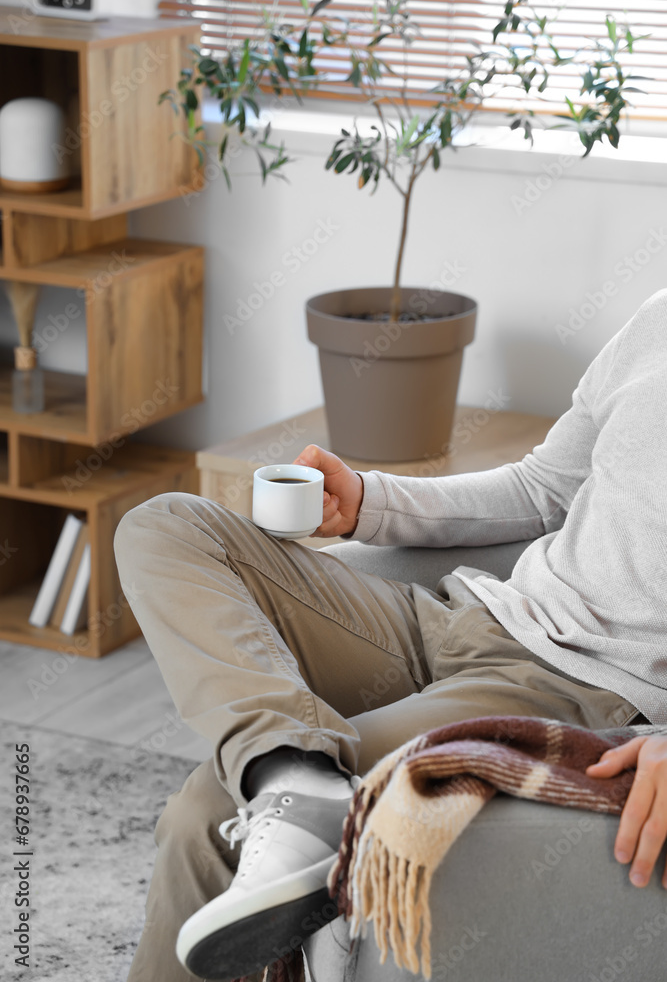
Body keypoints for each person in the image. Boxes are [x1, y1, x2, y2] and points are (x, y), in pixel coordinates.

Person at [114, 290, 667, 982]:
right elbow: (539, 490)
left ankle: (293, 788)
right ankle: (294, 773)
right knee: (167, 525)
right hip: (463, 613)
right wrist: (367, 502)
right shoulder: (656, 316)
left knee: (210, 810)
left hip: (568, 686)